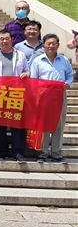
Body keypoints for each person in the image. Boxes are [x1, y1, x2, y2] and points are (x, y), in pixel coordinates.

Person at [0, 29, 30, 163]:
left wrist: (27, 74)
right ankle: (1, 152)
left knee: (17, 125)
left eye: (7, 38)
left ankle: (18, 152)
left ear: (12, 40)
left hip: (16, 94)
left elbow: (27, 70)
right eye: (2, 39)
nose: (4, 41)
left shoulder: (21, 55)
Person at [30, 34, 73, 164]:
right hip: (43, 96)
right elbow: (33, 79)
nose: (51, 46)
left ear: (58, 45)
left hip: (59, 95)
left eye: (54, 43)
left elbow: (69, 75)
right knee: (43, 124)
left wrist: (68, 83)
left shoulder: (64, 60)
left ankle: (56, 153)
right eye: (48, 43)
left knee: (58, 125)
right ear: (43, 45)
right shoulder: (38, 60)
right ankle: (42, 153)